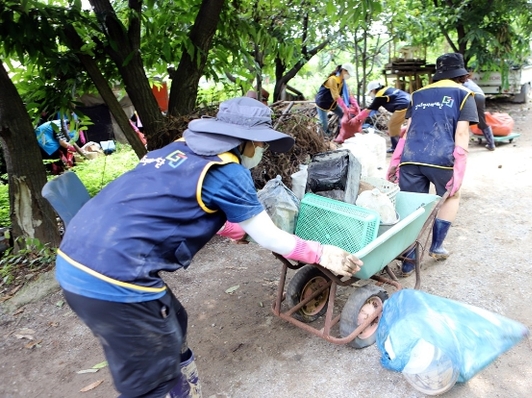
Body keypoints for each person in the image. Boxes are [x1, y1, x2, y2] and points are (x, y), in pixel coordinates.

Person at [54, 97, 363, 398]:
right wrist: (322, 253)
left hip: (79, 254)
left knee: (174, 321)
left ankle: (182, 388)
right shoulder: (227, 170)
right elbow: (270, 238)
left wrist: (235, 230)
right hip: (112, 276)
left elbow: (185, 204)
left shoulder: (177, 151)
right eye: (259, 143)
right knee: (149, 382)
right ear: (244, 141)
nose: (260, 150)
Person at [387, 53, 479, 276]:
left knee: (412, 208)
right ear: (461, 74)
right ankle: (436, 245)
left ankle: (408, 261)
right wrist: (459, 166)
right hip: (441, 159)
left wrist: (396, 161)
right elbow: (462, 132)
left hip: (411, 159)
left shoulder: (417, 94)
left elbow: (407, 130)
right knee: (451, 196)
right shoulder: (464, 94)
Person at [358, 82, 411, 152]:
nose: (371, 94)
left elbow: (369, 109)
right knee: (399, 125)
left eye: (370, 92)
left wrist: (357, 118)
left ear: (373, 90)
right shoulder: (387, 89)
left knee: (392, 125)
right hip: (411, 103)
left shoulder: (379, 95)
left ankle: (396, 147)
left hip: (403, 106)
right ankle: (401, 144)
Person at [314, 64, 358, 137]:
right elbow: (335, 96)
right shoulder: (333, 79)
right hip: (322, 103)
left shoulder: (342, 81)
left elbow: (349, 93)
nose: (349, 76)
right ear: (343, 71)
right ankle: (323, 137)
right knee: (324, 124)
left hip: (332, 103)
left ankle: (342, 131)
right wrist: (345, 107)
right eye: (348, 74)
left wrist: (355, 104)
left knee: (344, 115)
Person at [463, 78, 495, 150]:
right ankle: (491, 144)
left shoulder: (459, 81)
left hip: (472, 96)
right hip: (481, 95)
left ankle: (462, 145)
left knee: (464, 120)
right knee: (481, 121)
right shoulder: (469, 81)